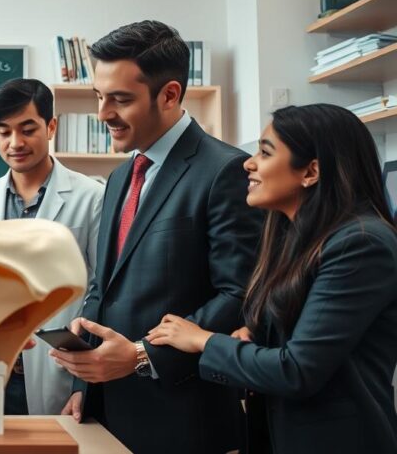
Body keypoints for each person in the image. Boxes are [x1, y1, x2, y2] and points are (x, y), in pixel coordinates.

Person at [51, 20, 262, 454]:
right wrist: (83, 381)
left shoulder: (226, 171)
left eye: (120, 99)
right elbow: (102, 286)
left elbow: (239, 294)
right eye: (99, 97)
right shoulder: (118, 177)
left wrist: (144, 354)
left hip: (184, 420)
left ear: (169, 95)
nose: (102, 114)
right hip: (106, 412)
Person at [147, 104, 397, 454]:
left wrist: (204, 340)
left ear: (310, 171)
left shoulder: (361, 244)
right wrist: (257, 336)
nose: (248, 163)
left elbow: (296, 370)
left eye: (264, 152)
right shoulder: (293, 237)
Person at [0, 79, 102, 415]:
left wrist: (86, 385)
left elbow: (102, 290)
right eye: (3, 131)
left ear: (51, 126)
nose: (15, 143)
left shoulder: (91, 197)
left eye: (27, 129)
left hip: (59, 370)